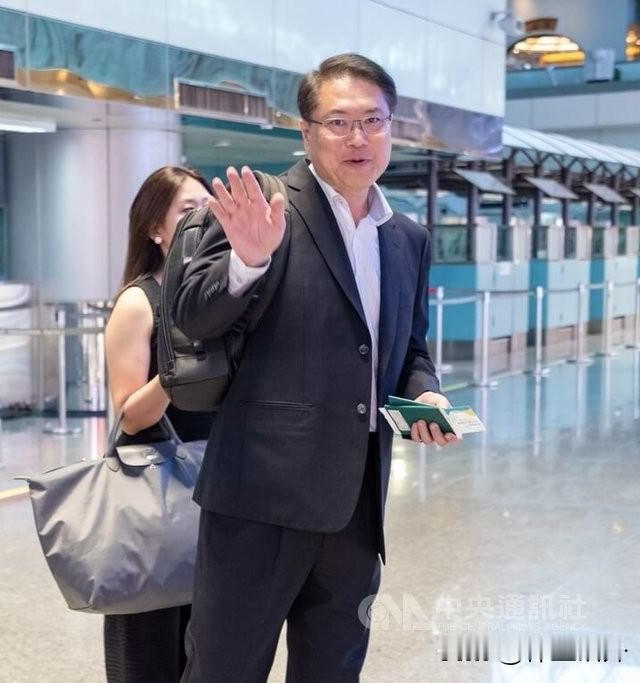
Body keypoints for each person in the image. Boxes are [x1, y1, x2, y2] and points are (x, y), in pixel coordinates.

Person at [174, 54, 457, 681]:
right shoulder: (264, 207)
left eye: (373, 121)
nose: (359, 138)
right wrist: (246, 263)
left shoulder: (405, 237)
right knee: (225, 668)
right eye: (338, 122)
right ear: (306, 131)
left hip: (357, 505)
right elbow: (192, 317)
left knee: (334, 669)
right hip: (258, 501)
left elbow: (409, 348)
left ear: (392, 128)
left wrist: (425, 394)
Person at [102, 166, 215, 682]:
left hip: (212, 487)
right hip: (154, 494)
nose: (205, 218)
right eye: (189, 210)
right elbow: (129, 413)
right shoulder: (138, 301)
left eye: (210, 207)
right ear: (155, 229)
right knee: (149, 648)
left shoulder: (217, 296)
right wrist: (179, 372)